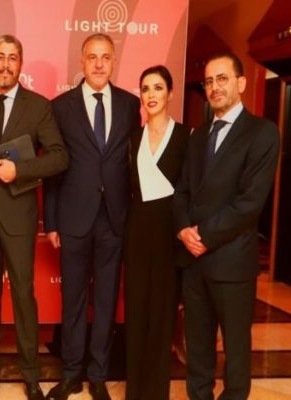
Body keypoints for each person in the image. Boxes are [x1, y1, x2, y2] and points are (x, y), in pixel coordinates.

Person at [173, 51, 279, 400]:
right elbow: (182, 190)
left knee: (235, 351)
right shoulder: (198, 135)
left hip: (231, 262)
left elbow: (249, 202)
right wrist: (183, 229)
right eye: (209, 81)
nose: (214, 87)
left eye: (222, 79)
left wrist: (203, 235)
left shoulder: (262, 133)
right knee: (197, 348)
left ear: (241, 83)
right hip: (194, 261)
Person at [0, 34, 68, 400]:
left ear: (20, 64)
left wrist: (19, 170)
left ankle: (30, 374)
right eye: (0, 57)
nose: (5, 64)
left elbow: (59, 156)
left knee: (24, 296)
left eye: (12, 58)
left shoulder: (38, 106)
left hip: (18, 215)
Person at [43, 33, 140, 400]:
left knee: (106, 302)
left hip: (114, 219)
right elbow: (53, 168)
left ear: (113, 62)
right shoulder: (60, 107)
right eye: (92, 57)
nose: (99, 64)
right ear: (82, 62)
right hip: (73, 219)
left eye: (105, 57)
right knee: (73, 300)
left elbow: (136, 162)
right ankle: (71, 373)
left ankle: (98, 375)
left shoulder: (130, 104)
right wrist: (51, 221)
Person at [123, 65, 189, 400]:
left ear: (170, 93)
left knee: (161, 318)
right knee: (136, 314)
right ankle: (135, 391)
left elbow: (188, 191)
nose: (151, 94)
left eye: (158, 87)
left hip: (168, 236)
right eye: (146, 88)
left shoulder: (186, 136)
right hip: (136, 233)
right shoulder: (134, 137)